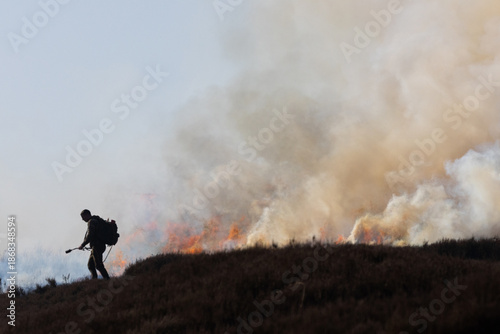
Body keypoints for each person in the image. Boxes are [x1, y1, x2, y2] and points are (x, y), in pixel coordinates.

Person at [79, 209, 110, 280]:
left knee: (98, 265)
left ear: (87, 215)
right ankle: (94, 281)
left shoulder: (91, 222)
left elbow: (90, 235)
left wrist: (82, 245)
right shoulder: (96, 220)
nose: (82, 219)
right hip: (97, 246)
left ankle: (107, 280)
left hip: (97, 246)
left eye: (83, 217)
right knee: (90, 265)